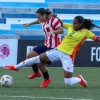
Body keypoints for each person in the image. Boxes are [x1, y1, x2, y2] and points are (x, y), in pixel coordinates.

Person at [5, 15, 100, 88]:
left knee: (68, 82)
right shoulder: (70, 26)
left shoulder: (86, 33)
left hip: (68, 56)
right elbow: (61, 23)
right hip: (57, 51)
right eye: (73, 22)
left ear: (80, 24)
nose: (73, 24)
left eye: (75, 23)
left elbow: (97, 38)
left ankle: (79, 79)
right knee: (37, 59)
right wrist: (54, 16)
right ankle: (16, 67)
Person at [21, 8, 63, 87]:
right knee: (29, 56)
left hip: (54, 48)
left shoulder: (53, 20)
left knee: (39, 62)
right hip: (46, 45)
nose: (38, 19)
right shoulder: (42, 20)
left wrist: (52, 32)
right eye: (37, 17)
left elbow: (61, 30)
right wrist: (30, 23)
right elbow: (38, 21)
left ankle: (47, 79)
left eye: (39, 17)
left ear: (44, 15)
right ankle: (36, 72)